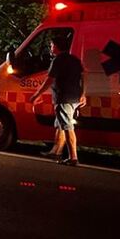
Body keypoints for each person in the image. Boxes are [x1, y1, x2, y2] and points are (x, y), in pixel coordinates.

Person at [28, 35, 86, 165]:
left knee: (67, 126)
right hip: (75, 97)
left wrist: (36, 95)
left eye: (52, 45)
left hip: (64, 97)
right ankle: (56, 151)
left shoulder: (58, 60)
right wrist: (83, 94)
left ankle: (73, 157)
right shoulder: (75, 60)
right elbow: (83, 77)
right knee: (61, 124)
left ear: (57, 46)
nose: (51, 48)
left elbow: (49, 80)